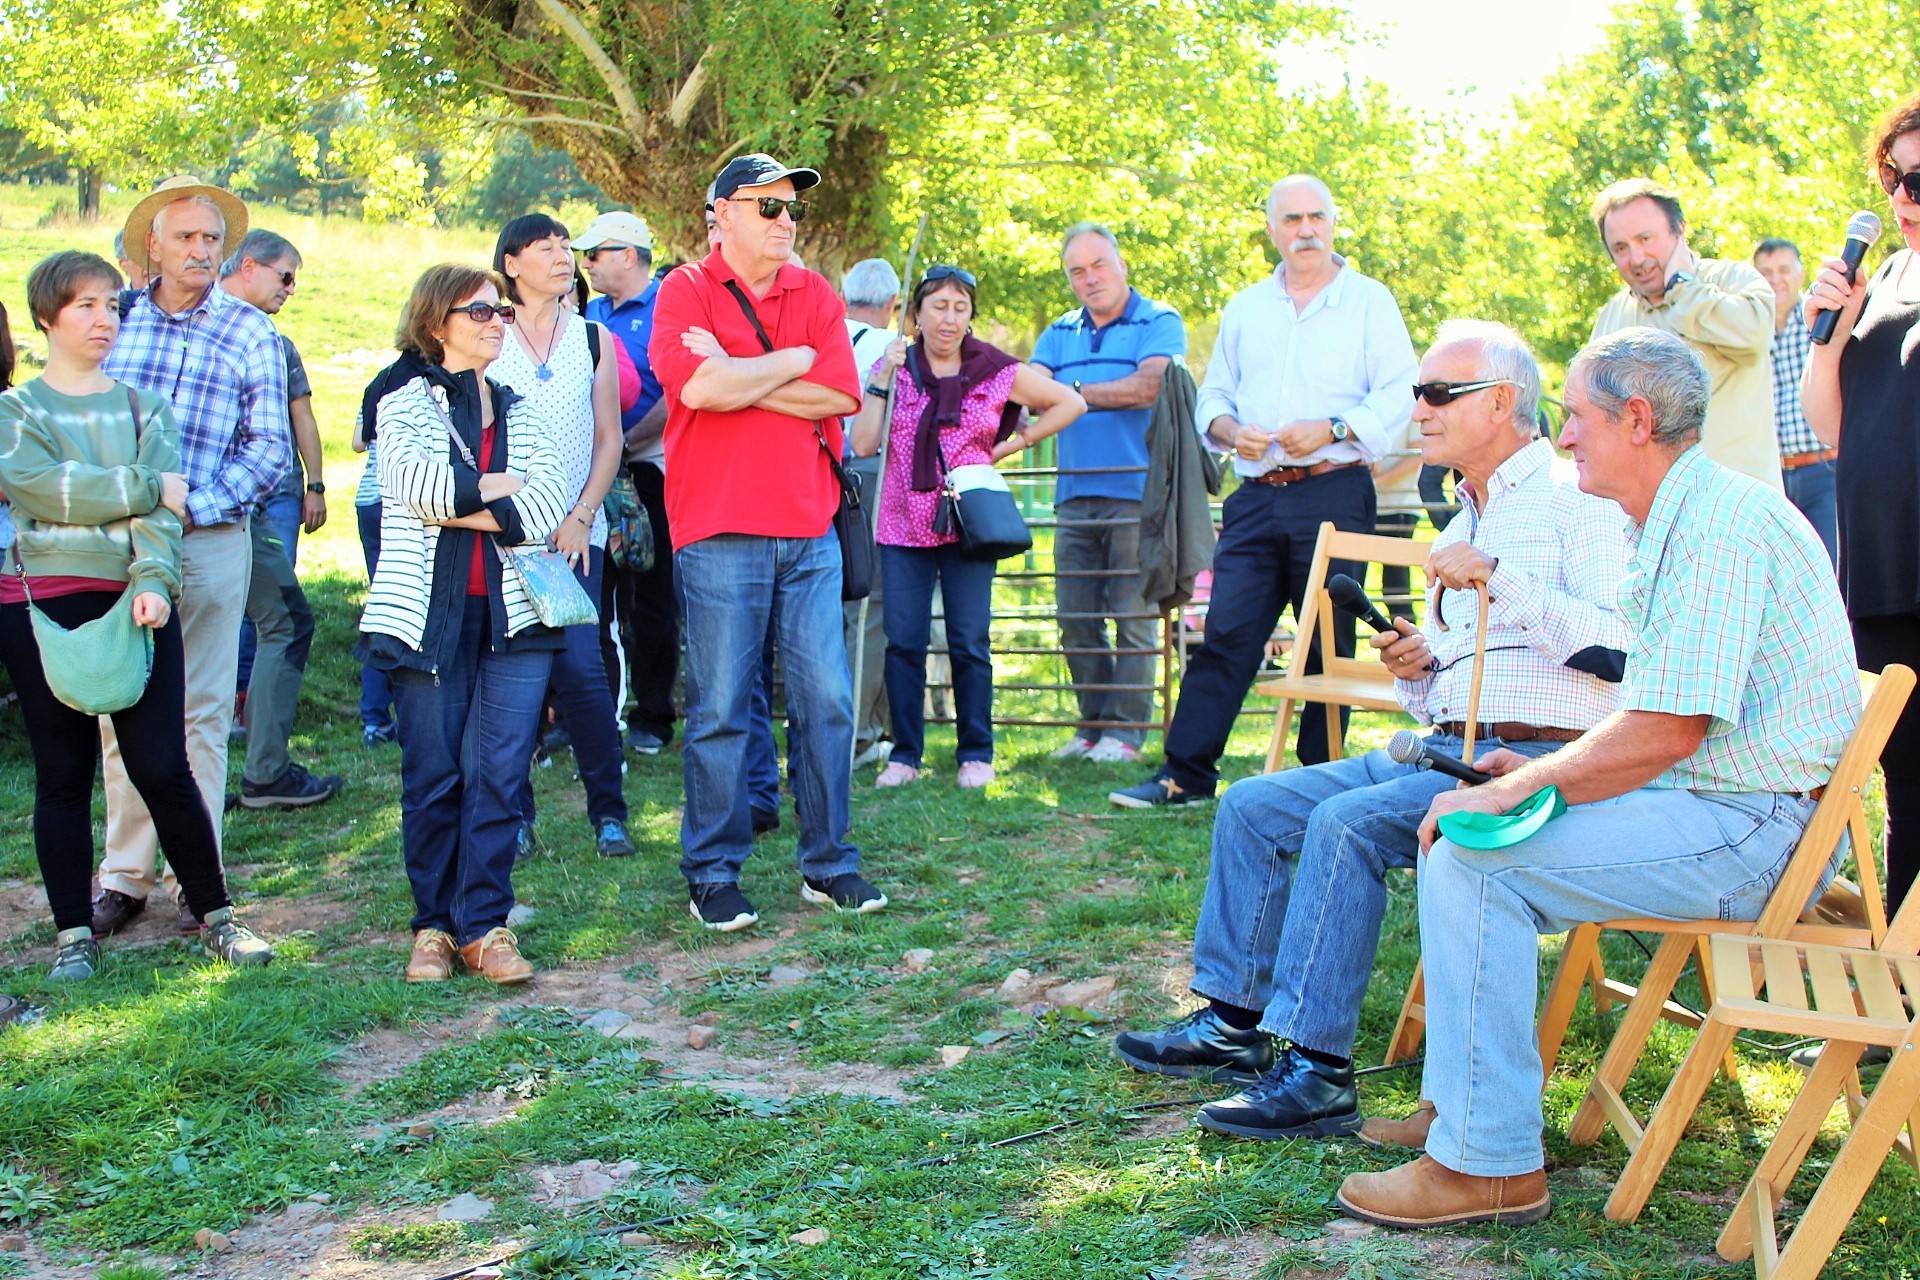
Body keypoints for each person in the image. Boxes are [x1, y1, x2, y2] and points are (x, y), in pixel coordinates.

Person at [1338, 327, 1860, 1230]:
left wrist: (1512, 789)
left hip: (1752, 827)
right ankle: (1468, 1114)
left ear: (1638, 418)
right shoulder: (1674, 517)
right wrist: (1540, 766)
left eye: (1575, 418)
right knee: (1468, 841)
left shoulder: (1720, 523)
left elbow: (1667, 728)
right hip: (1718, 800)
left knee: (1471, 856)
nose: (1563, 435)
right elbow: (1655, 708)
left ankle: (1488, 1163)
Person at [1110, 321, 1629, 1140]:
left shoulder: (1579, 502)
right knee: (1252, 803)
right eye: (1417, 392)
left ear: (1499, 402)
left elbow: (1618, 651)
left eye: (1435, 393)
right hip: (1450, 745)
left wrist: (1503, 579)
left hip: (1538, 759)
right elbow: (1439, 697)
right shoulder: (1458, 523)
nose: (1416, 408)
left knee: (1343, 825)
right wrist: (1419, 669)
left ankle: (1316, 1072)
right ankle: (1233, 1024)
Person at [0, 251, 274, 979]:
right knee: (63, 772)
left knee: (162, 765)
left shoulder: (142, 407)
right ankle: (72, 939)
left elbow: (158, 521)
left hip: (137, 601)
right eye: (85, 305)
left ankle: (217, 916)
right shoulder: (16, 411)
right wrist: (150, 483)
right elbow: (38, 490)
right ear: (47, 316)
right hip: (42, 605)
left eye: (111, 307)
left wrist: (152, 576)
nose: (103, 320)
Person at [1111, 175, 1417, 808]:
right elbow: (1215, 394)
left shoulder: (1369, 302)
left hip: (1334, 490)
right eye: (1292, 220)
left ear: (1333, 223)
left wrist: (1332, 428)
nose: (1306, 230)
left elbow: (1398, 393)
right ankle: (1185, 775)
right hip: (1254, 495)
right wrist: (1227, 430)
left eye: (1317, 218)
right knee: (1226, 631)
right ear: (1272, 229)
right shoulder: (1247, 307)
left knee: (1327, 639)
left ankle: (1319, 780)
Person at [648, 152, 885, 930]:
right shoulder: (683, 290)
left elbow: (842, 393)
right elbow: (697, 389)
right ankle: (712, 872)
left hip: (810, 529)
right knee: (720, 707)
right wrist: (789, 362)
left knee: (827, 702)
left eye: (792, 209)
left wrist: (744, 371)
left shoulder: (813, 290)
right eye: (768, 207)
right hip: (716, 530)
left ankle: (829, 864)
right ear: (720, 214)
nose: (787, 222)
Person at [359, 264, 574, 984]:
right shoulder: (403, 402)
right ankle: (432, 928)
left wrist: (477, 500)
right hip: (430, 619)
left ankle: (485, 925)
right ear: (433, 323)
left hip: (515, 618)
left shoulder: (522, 409)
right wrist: (499, 492)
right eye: (477, 310)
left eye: (500, 312)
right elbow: (415, 489)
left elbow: (548, 505)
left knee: (500, 774)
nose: (494, 322)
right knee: (433, 773)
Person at [91, 176, 291, 939]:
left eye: (213, 238)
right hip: (120, 540)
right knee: (121, 706)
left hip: (208, 541)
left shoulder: (249, 332)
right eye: (187, 238)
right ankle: (124, 875)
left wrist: (192, 505)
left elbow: (269, 448)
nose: (203, 250)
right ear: (154, 246)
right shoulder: (119, 322)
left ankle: (193, 876)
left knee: (201, 711)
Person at [851, 265, 1085, 789]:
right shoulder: (896, 365)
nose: (949, 318)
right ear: (916, 313)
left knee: (969, 640)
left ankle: (975, 752)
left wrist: (1011, 446)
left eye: (960, 307)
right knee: (904, 642)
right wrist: (882, 378)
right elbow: (864, 444)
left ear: (971, 316)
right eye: (938, 306)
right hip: (902, 523)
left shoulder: (993, 369)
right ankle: (905, 754)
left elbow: (1070, 401)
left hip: (968, 522)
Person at [1802, 89, 1920, 920]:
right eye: (1897, 177)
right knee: (1906, 779)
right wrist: (1829, 327)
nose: (1906, 198)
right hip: (1878, 568)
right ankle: (1907, 1007)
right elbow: (1829, 424)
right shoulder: (1880, 275)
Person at [489, 213, 636, 860]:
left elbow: (611, 438)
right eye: (542, 247)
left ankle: (609, 812)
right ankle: (513, 814)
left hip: (579, 532)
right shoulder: (485, 331)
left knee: (581, 669)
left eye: (562, 247)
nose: (558, 256)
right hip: (504, 534)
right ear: (511, 263)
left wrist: (582, 515)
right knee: (512, 674)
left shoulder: (594, 338)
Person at [1028, 223, 1186, 764]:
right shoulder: (1058, 332)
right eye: (1077, 271)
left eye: (1098, 265)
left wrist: (1067, 395)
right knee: (1075, 617)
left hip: (1135, 491)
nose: (1089, 279)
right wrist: (1062, 396)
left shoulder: (1158, 320)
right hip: (1073, 494)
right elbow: (1029, 394)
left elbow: (1150, 385)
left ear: (1120, 265)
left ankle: (1127, 733)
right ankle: (1091, 726)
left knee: (1134, 615)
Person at [219, 230, 343, 808]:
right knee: (275, 623)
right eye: (285, 276)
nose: (291, 289)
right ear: (248, 266)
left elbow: (298, 420)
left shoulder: (272, 338)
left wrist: (314, 483)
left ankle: (249, 770)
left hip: (238, 507)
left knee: (276, 621)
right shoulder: (229, 328)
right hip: (218, 510)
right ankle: (257, 771)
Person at [1588, 177, 1779, 488]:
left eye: (1646, 239)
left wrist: (1682, 288)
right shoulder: (1612, 317)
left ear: (1679, 230)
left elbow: (1754, 338)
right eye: (1621, 248)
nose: (1636, 259)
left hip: (1734, 507)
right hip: (1649, 515)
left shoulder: (1734, 280)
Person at [577, 210, 678, 758]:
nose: (586, 264)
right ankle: (596, 711)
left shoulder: (668, 306)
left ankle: (655, 713)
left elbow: (675, 390)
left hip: (651, 466)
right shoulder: (588, 312)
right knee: (599, 593)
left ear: (629, 255)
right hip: (594, 471)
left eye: (595, 253)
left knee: (653, 596)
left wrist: (626, 445)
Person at [840, 256, 903, 769]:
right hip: (872, 478)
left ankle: (858, 722)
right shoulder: (891, 348)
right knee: (870, 607)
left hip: (825, 477)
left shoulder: (825, 337)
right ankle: (858, 730)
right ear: (892, 304)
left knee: (839, 603)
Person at [1752, 237, 1835, 563]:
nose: (1775, 279)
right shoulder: (1750, 330)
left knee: (1831, 571)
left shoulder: (1823, 319)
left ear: (1800, 273)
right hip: (1770, 478)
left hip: (1824, 470)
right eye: (1766, 272)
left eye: (1784, 269)